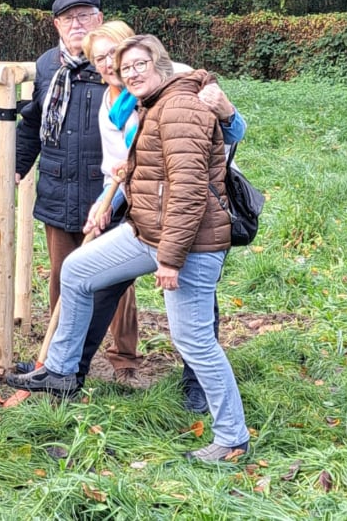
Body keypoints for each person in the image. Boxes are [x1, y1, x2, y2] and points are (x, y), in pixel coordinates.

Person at [8, 35, 250, 462]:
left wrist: (171, 260)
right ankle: (62, 371)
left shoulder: (180, 108)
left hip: (190, 244)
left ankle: (231, 437)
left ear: (160, 62)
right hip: (146, 231)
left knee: (193, 340)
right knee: (78, 271)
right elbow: (159, 175)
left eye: (140, 64)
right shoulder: (151, 103)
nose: (131, 73)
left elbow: (189, 192)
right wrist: (120, 190)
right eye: (125, 68)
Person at [80, 22, 247, 414]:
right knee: (99, 282)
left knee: (194, 299)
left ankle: (198, 385)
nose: (108, 65)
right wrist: (104, 204)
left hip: (191, 207)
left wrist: (227, 111)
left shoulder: (179, 84)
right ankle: (72, 370)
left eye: (114, 54)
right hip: (138, 202)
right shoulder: (114, 105)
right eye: (99, 59)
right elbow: (118, 165)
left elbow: (230, 134)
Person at [14, 0, 144, 386]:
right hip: (57, 187)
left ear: (100, 20)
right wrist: (17, 168)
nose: (77, 25)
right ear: (56, 25)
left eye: (85, 16)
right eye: (68, 19)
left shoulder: (118, 68)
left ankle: (124, 361)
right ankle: (58, 359)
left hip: (111, 191)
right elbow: (34, 123)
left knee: (117, 282)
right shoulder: (47, 66)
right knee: (63, 275)